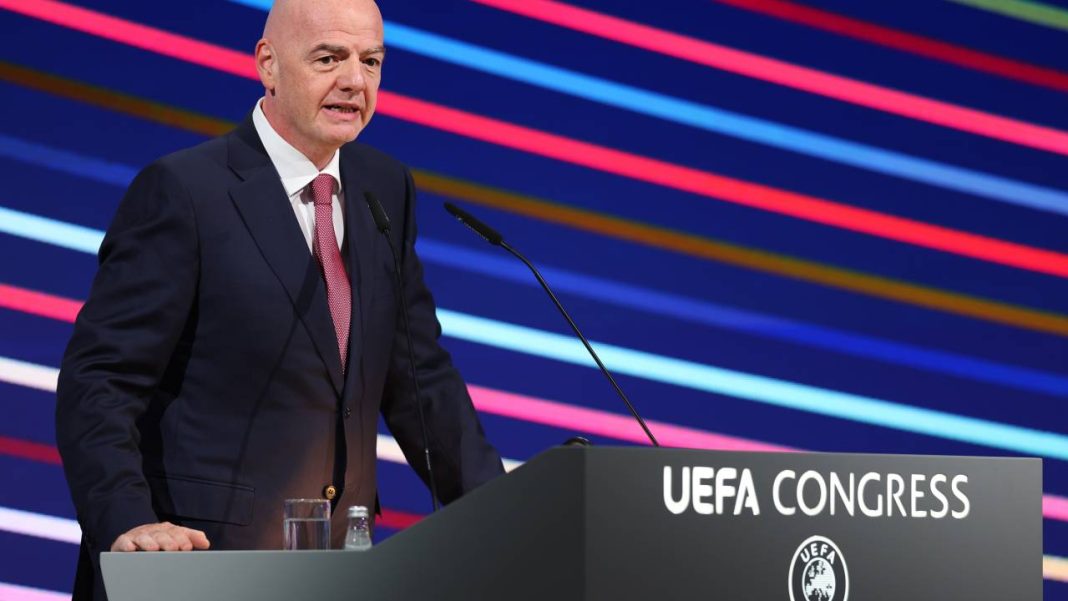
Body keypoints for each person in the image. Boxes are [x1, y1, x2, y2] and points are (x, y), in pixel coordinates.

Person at [54, 0, 505, 598]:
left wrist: (502, 513)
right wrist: (128, 522)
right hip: (203, 566)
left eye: (371, 61)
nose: (354, 80)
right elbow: (101, 379)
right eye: (329, 58)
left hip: (342, 568)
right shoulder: (188, 191)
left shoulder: (384, 188)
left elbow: (418, 374)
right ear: (268, 64)